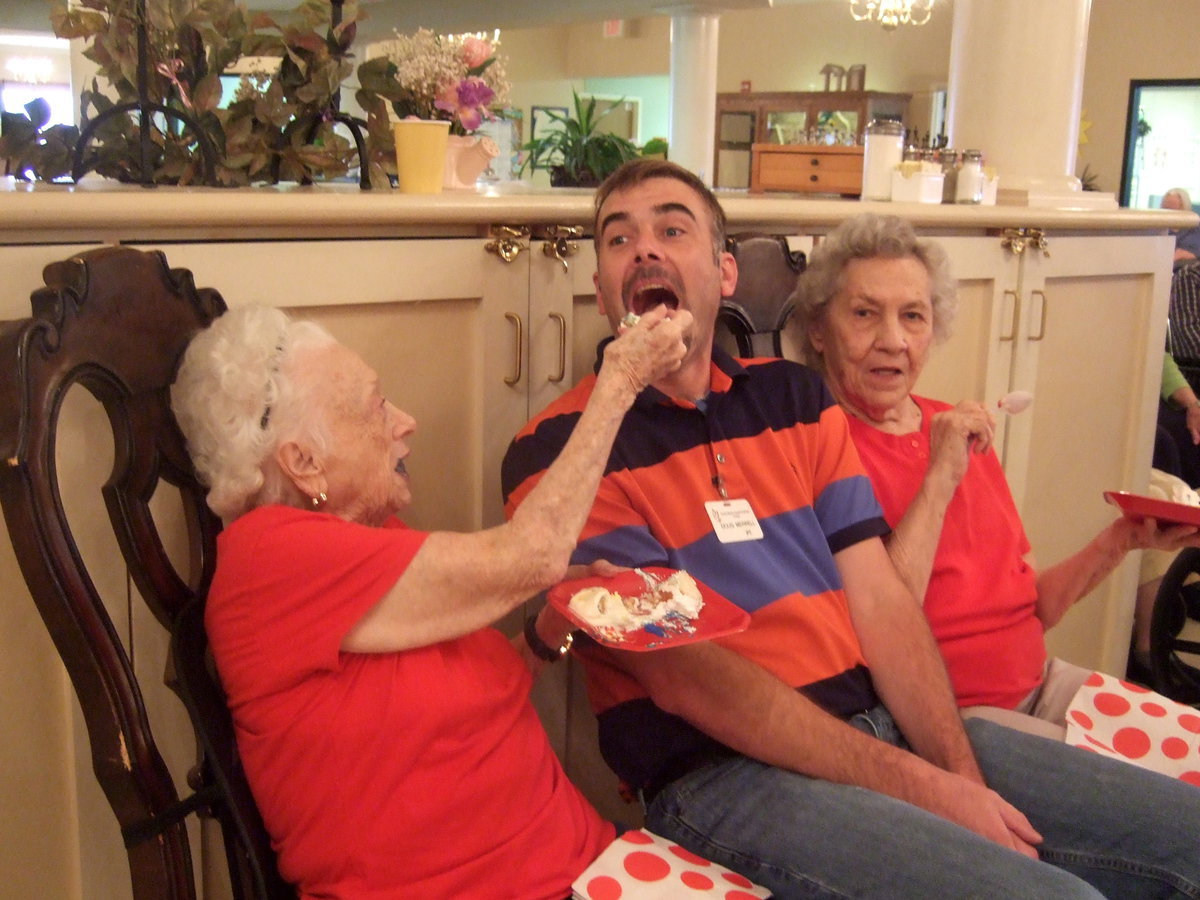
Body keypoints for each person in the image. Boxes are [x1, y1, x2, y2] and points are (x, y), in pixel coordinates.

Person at [502, 159, 1200, 899]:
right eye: (619, 239)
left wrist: (959, 777)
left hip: (883, 728)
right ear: (602, 286)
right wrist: (924, 788)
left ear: (725, 272)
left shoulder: (793, 397)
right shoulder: (560, 450)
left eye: (673, 230)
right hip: (725, 776)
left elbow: (882, 601)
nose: (644, 248)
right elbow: (686, 680)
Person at [169, 301, 691, 899]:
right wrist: (622, 378)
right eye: (375, 407)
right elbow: (534, 554)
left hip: (586, 867)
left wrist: (549, 630)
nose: (405, 422)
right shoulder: (271, 560)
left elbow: (460, 705)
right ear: (303, 463)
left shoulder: (362, 538)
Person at [796, 212, 1200, 745]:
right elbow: (879, 630)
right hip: (955, 721)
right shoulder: (818, 446)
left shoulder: (954, 428)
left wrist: (1121, 540)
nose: (893, 340)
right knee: (1157, 796)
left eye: (913, 316)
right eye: (865, 313)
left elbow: (1033, 608)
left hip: (1042, 685)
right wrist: (940, 477)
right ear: (819, 331)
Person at [1163, 186, 1200, 261]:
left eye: (1173, 209)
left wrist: (1189, 254)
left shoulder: (1195, 228)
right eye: (1166, 208)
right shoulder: (1157, 230)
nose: (1169, 214)